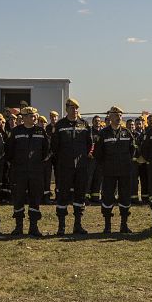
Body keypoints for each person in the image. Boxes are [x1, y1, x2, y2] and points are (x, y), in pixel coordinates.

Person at [51, 98, 93, 235]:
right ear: (66, 109)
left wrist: (82, 157)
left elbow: (89, 144)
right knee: (63, 195)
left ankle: (78, 225)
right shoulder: (60, 125)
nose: (74, 110)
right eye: (72, 107)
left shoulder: (84, 124)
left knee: (80, 195)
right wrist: (63, 159)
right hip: (65, 166)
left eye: (76, 108)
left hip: (81, 166)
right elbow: (55, 146)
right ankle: (61, 226)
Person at [6, 107, 50, 237]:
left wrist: (38, 163)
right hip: (19, 172)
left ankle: (33, 227)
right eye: (31, 116)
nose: (34, 118)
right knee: (18, 198)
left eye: (35, 115)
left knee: (35, 198)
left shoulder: (41, 131)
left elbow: (46, 150)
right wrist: (16, 164)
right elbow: (9, 150)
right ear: (24, 118)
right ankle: (18, 227)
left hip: (36, 171)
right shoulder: (16, 131)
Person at [95, 106, 135, 233]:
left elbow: (132, 150)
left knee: (125, 197)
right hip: (109, 171)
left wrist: (127, 162)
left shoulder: (127, 133)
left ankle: (124, 225)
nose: (119, 118)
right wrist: (104, 166)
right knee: (107, 197)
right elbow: (98, 153)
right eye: (116, 115)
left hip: (124, 171)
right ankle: (107, 226)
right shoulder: (103, 133)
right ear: (110, 117)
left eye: (120, 115)